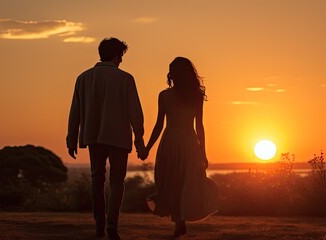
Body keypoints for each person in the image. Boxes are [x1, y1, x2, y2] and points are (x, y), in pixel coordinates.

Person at [66, 37, 145, 240]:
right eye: (121, 56)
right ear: (117, 56)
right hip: (118, 136)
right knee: (117, 182)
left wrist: (71, 138)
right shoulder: (125, 78)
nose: (122, 61)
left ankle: (99, 225)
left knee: (96, 181)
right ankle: (112, 225)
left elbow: (75, 111)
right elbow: (135, 112)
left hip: (93, 136)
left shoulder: (83, 78)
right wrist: (139, 139)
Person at [141, 57, 219, 238]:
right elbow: (161, 124)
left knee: (179, 181)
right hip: (181, 142)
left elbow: (198, 125)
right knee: (176, 181)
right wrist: (147, 147)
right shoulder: (172, 95)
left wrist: (204, 152)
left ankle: (179, 223)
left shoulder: (187, 96)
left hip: (177, 141)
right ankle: (179, 222)